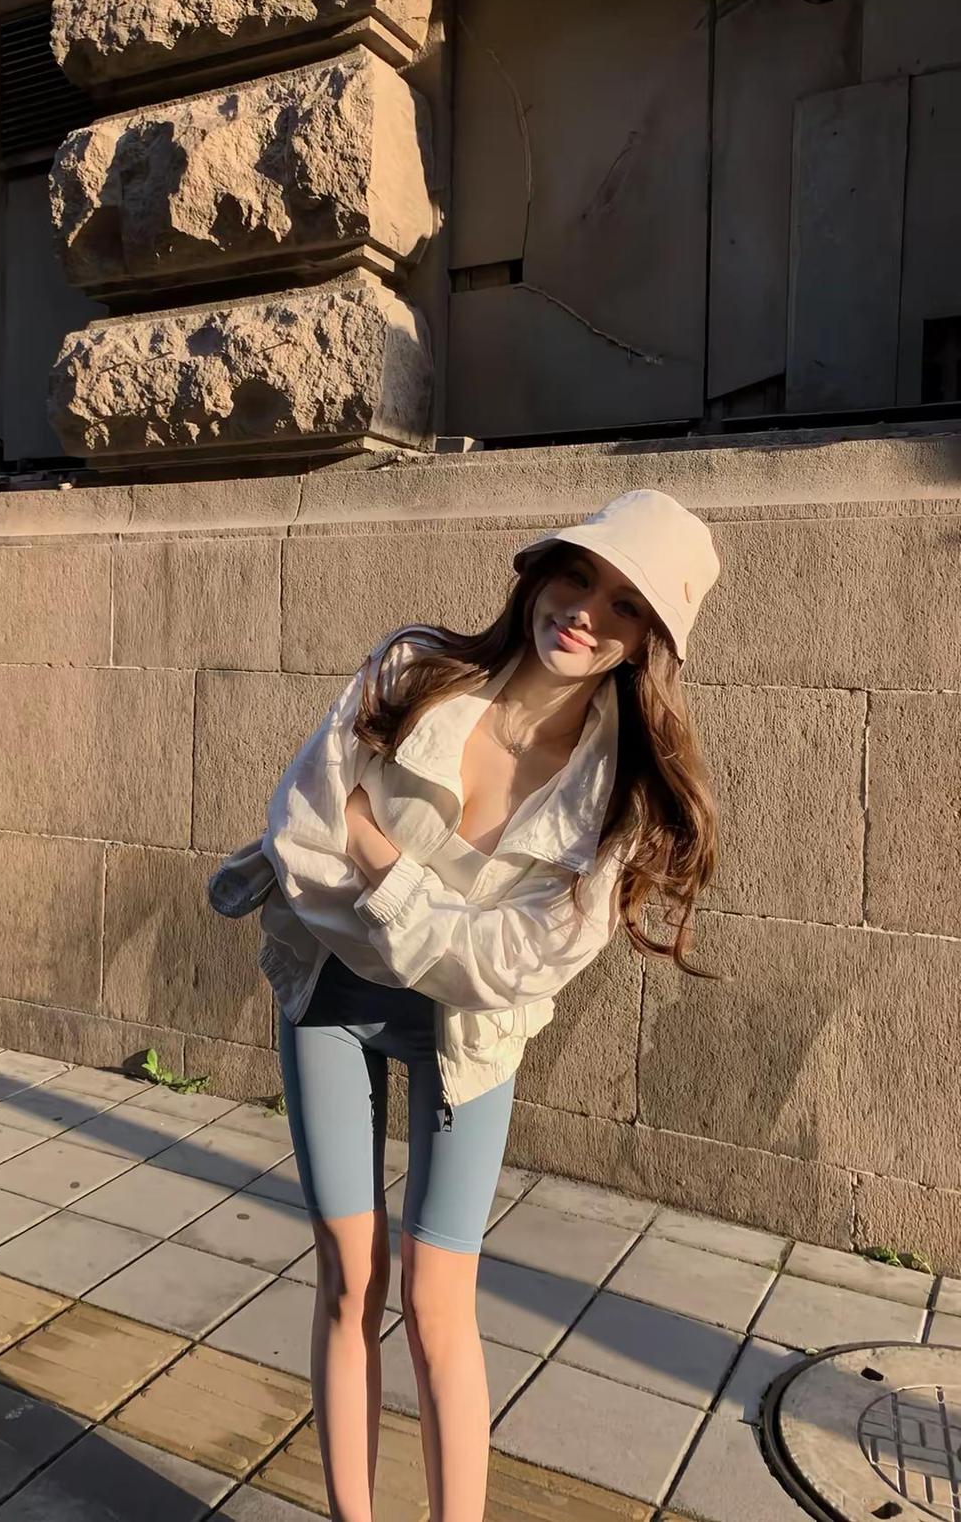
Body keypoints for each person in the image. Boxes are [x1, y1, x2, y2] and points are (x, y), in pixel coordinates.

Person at [209, 489, 721, 1522]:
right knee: (349, 1279)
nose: (584, 610)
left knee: (437, 1303)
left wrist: (379, 853)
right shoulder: (412, 671)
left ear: (645, 643)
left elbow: (512, 967)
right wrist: (432, 926)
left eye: (624, 604)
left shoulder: (616, 795)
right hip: (327, 992)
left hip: (471, 1041)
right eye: (577, 573)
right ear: (540, 573)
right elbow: (303, 833)